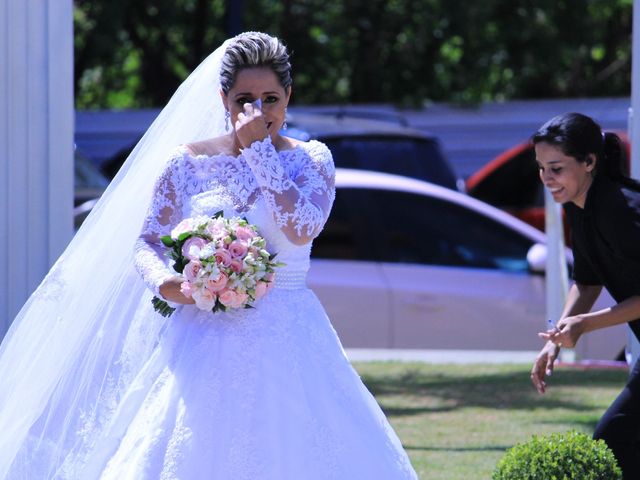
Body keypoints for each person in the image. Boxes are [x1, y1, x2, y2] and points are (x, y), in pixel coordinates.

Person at [0, 32, 417, 479]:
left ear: (289, 96)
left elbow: (301, 230)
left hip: (291, 337)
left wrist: (259, 149)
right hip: (202, 337)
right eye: (244, 100)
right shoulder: (186, 163)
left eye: (271, 98)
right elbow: (148, 240)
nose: (257, 112)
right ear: (223, 98)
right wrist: (167, 282)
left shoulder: (312, 160)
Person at [530, 112, 640, 478]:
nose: (548, 178)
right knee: (618, 450)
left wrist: (584, 324)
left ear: (589, 162)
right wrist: (556, 338)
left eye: (556, 168)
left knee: (612, 445)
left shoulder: (620, 209)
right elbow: (588, 282)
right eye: (542, 168)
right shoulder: (580, 208)